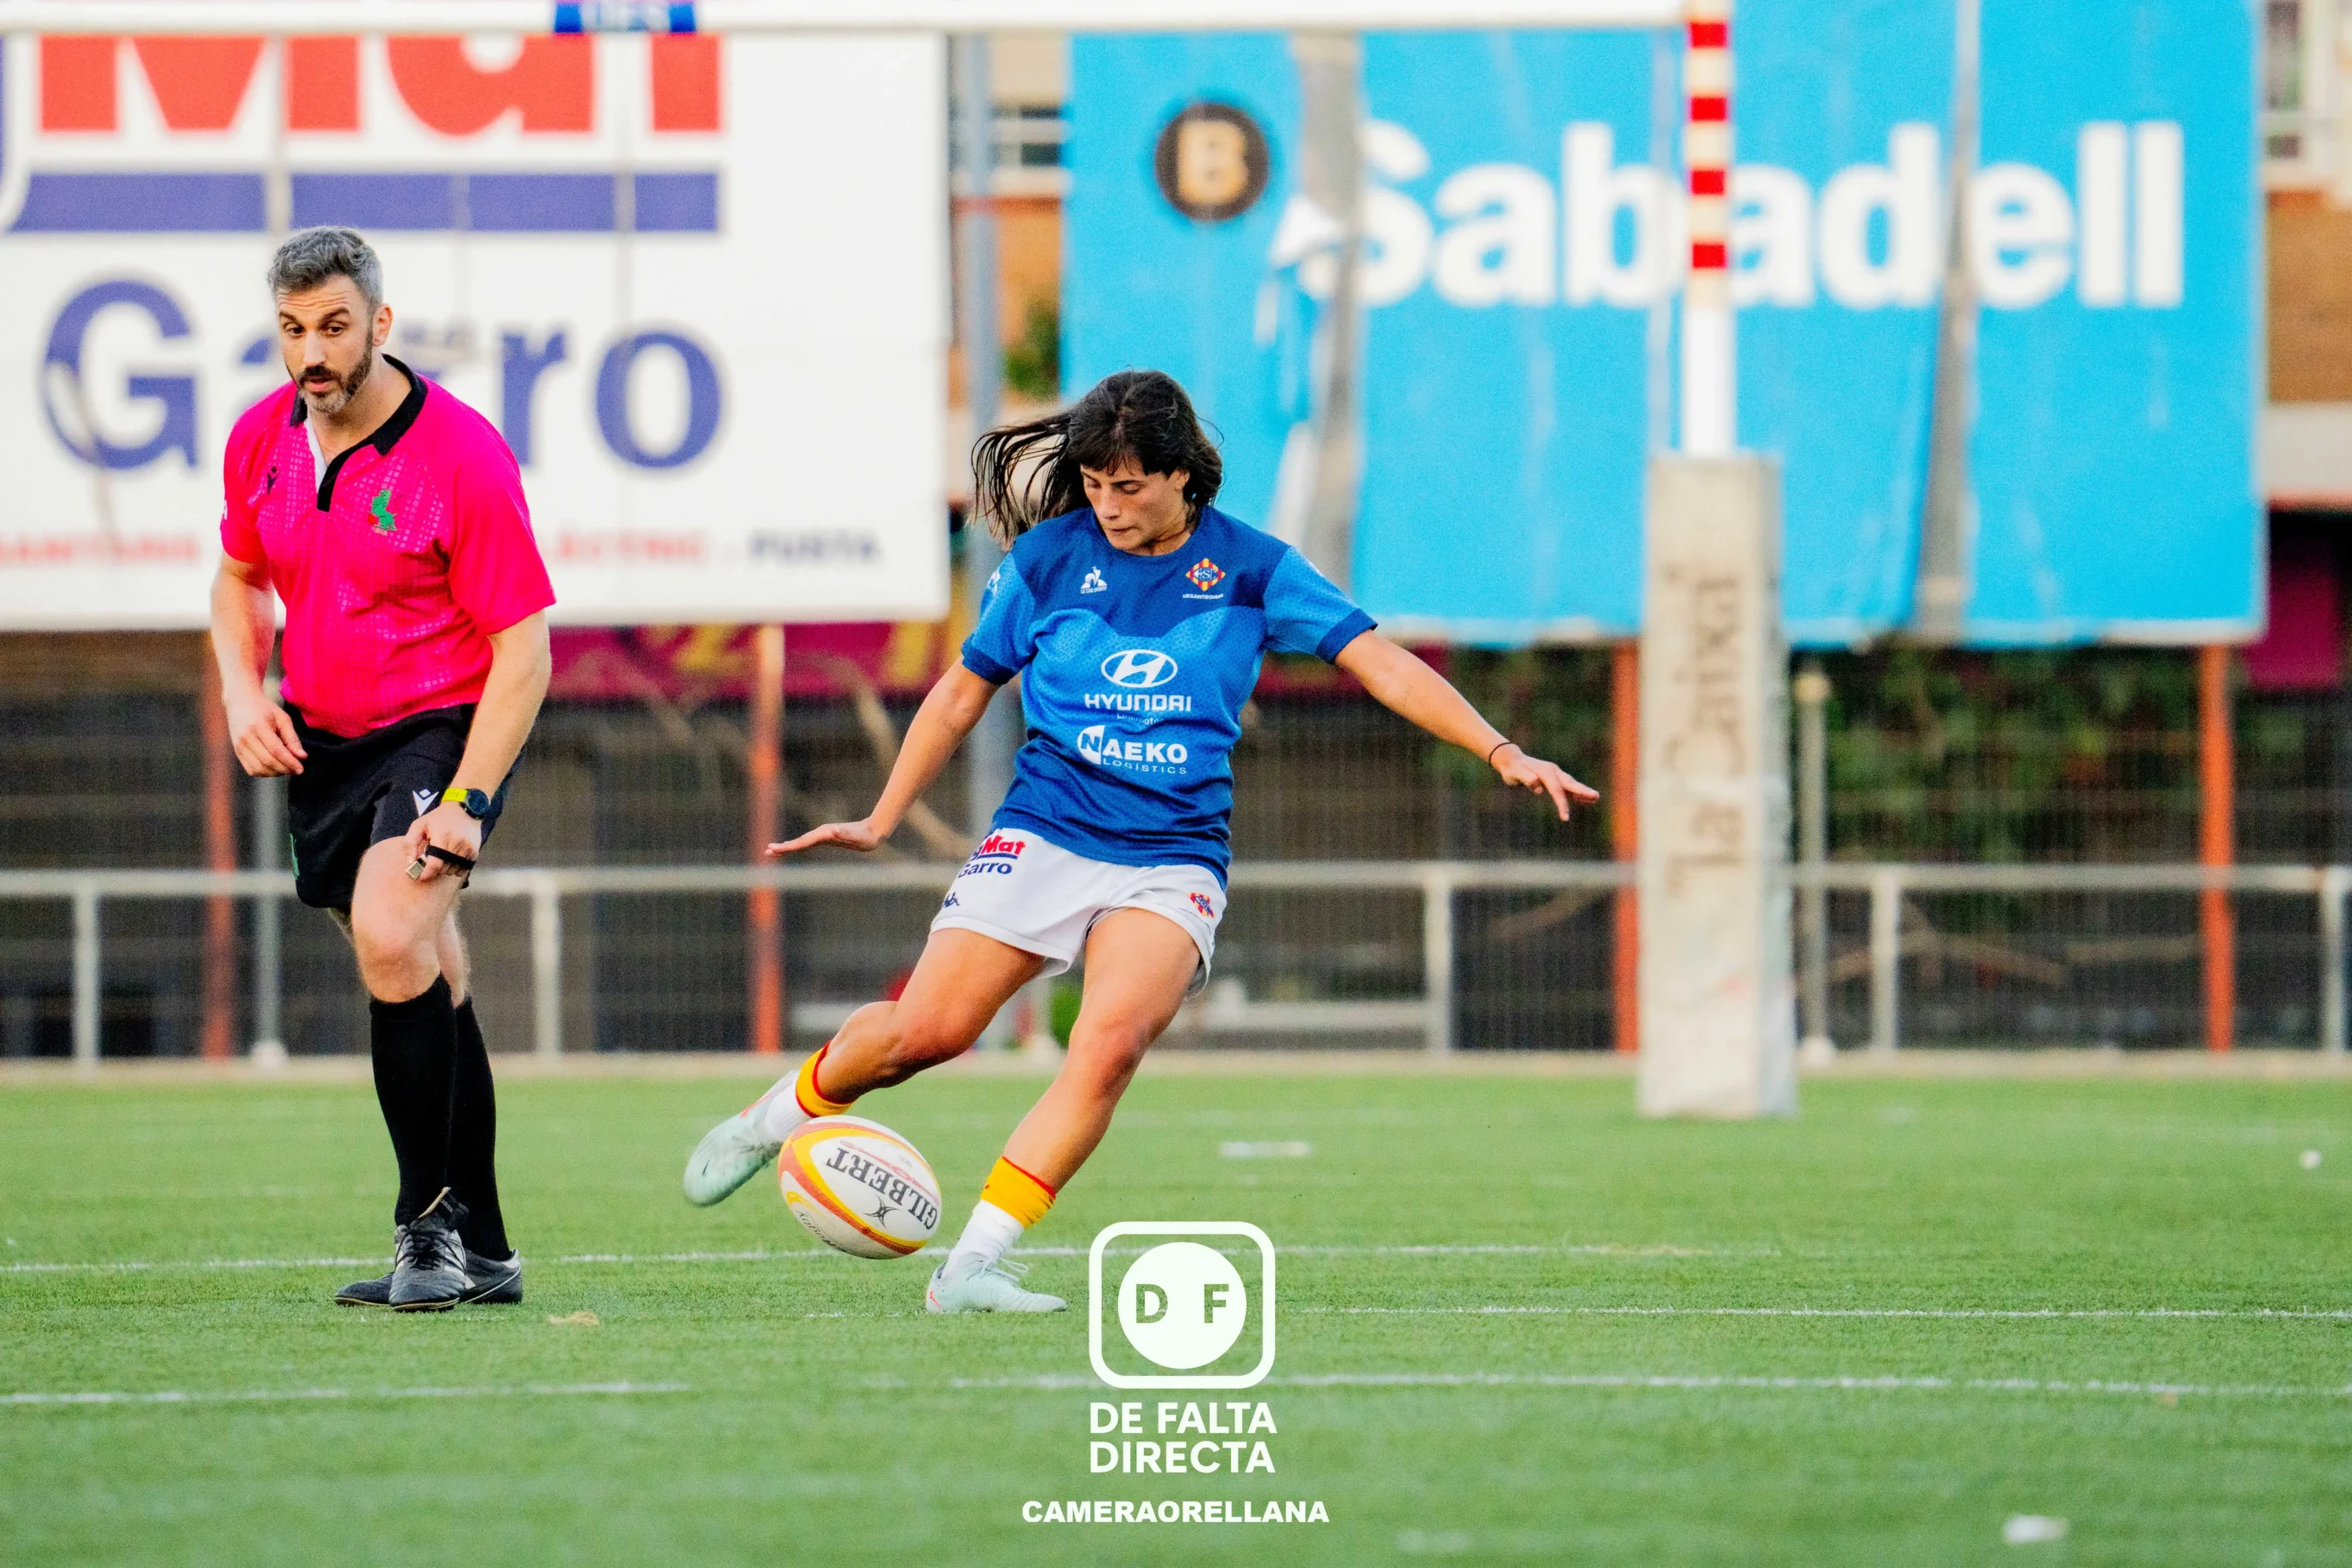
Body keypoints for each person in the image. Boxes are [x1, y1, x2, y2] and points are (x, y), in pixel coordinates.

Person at [683, 370, 1596, 1313]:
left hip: (1172, 855)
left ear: (1184, 476)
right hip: (1045, 829)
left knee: (1109, 1045)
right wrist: (882, 814)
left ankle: (972, 1267)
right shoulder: (1047, 560)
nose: (1108, 507)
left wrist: (1497, 746)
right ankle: (768, 1122)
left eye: (1129, 486)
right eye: (1093, 483)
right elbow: (963, 690)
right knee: (927, 1034)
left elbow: (1379, 662)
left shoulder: (1253, 567)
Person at [209, 227, 555, 1312]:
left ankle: (426, 1235)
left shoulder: (459, 457)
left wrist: (466, 802)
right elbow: (235, 580)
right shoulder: (261, 439)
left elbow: (525, 651)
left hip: (437, 727)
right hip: (324, 742)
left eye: (334, 327)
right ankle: (487, 1247)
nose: (312, 353)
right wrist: (242, 690)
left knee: (394, 936)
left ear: (381, 323)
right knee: (429, 979)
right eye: (293, 331)